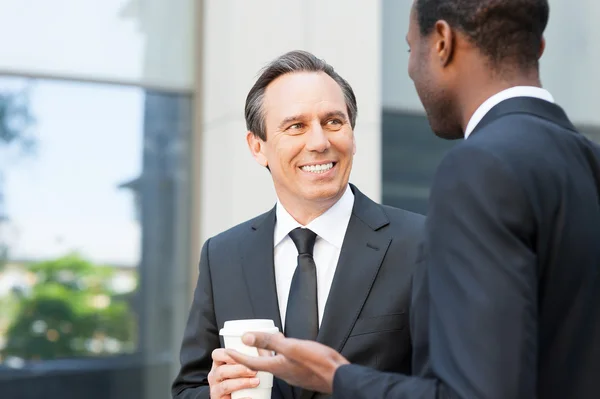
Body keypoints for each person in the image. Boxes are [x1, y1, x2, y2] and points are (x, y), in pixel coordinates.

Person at [226, 1, 600, 398]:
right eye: (296, 126)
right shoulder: (589, 161)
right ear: (537, 46)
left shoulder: (479, 168)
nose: (409, 69)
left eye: (410, 49)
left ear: (441, 42)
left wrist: (338, 377)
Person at [171, 50, 425, 399]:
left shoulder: (422, 243)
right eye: (296, 126)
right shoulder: (223, 255)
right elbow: (188, 388)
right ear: (257, 147)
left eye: (334, 121)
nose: (320, 142)